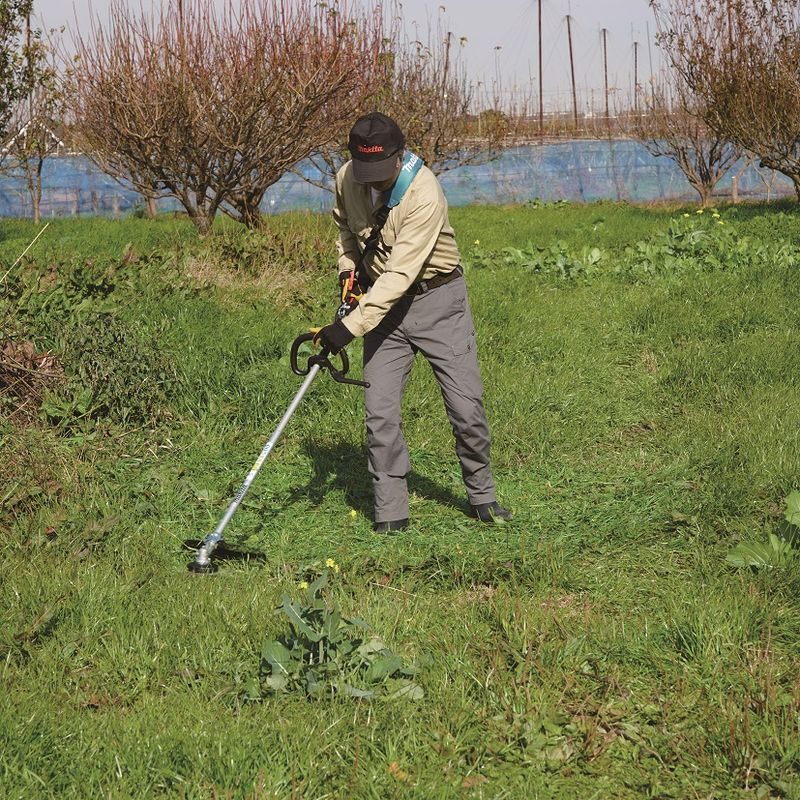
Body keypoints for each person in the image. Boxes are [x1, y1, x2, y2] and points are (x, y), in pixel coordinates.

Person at [314, 111, 511, 532]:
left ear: (399, 156)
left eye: (380, 172)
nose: (372, 180)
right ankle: (391, 511)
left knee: (465, 408)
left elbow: (401, 274)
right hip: (382, 313)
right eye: (365, 171)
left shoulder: (424, 193)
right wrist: (348, 273)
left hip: (438, 301)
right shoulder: (348, 177)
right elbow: (345, 232)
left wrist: (348, 327)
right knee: (379, 412)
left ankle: (482, 495)